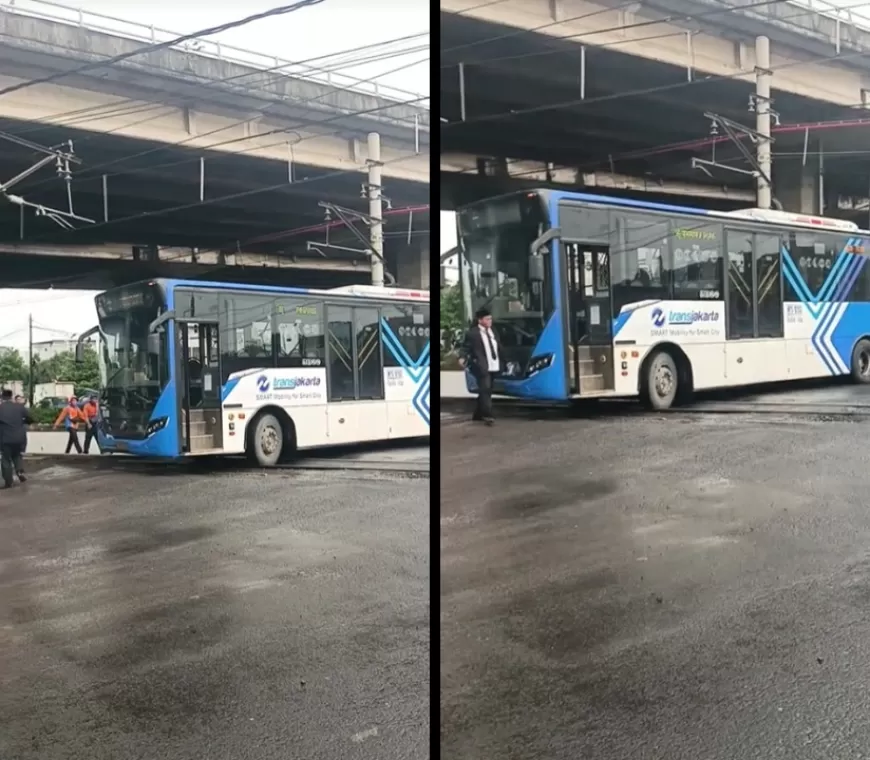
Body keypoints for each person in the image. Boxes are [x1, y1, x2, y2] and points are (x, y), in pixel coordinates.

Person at [460, 307, 503, 426]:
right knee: (485, 389)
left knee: (487, 390)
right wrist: (462, 357)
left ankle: (478, 414)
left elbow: (498, 346)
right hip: (482, 365)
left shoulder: (493, 330)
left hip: (494, 364)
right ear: (480, 320)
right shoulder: (473, 333)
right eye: (487, 319)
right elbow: (465, 347)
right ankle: (488, 415)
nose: (490, 321)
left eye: (490, 319)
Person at [0, 389, 32, 488]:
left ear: (2, 397)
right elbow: (30, 419)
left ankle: (8, 481)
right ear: (11, 397)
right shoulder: (19, 407)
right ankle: (20, 471)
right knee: (17, 455)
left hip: (5, 438)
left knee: (5, 459)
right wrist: (22, 421)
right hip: (19, 437)